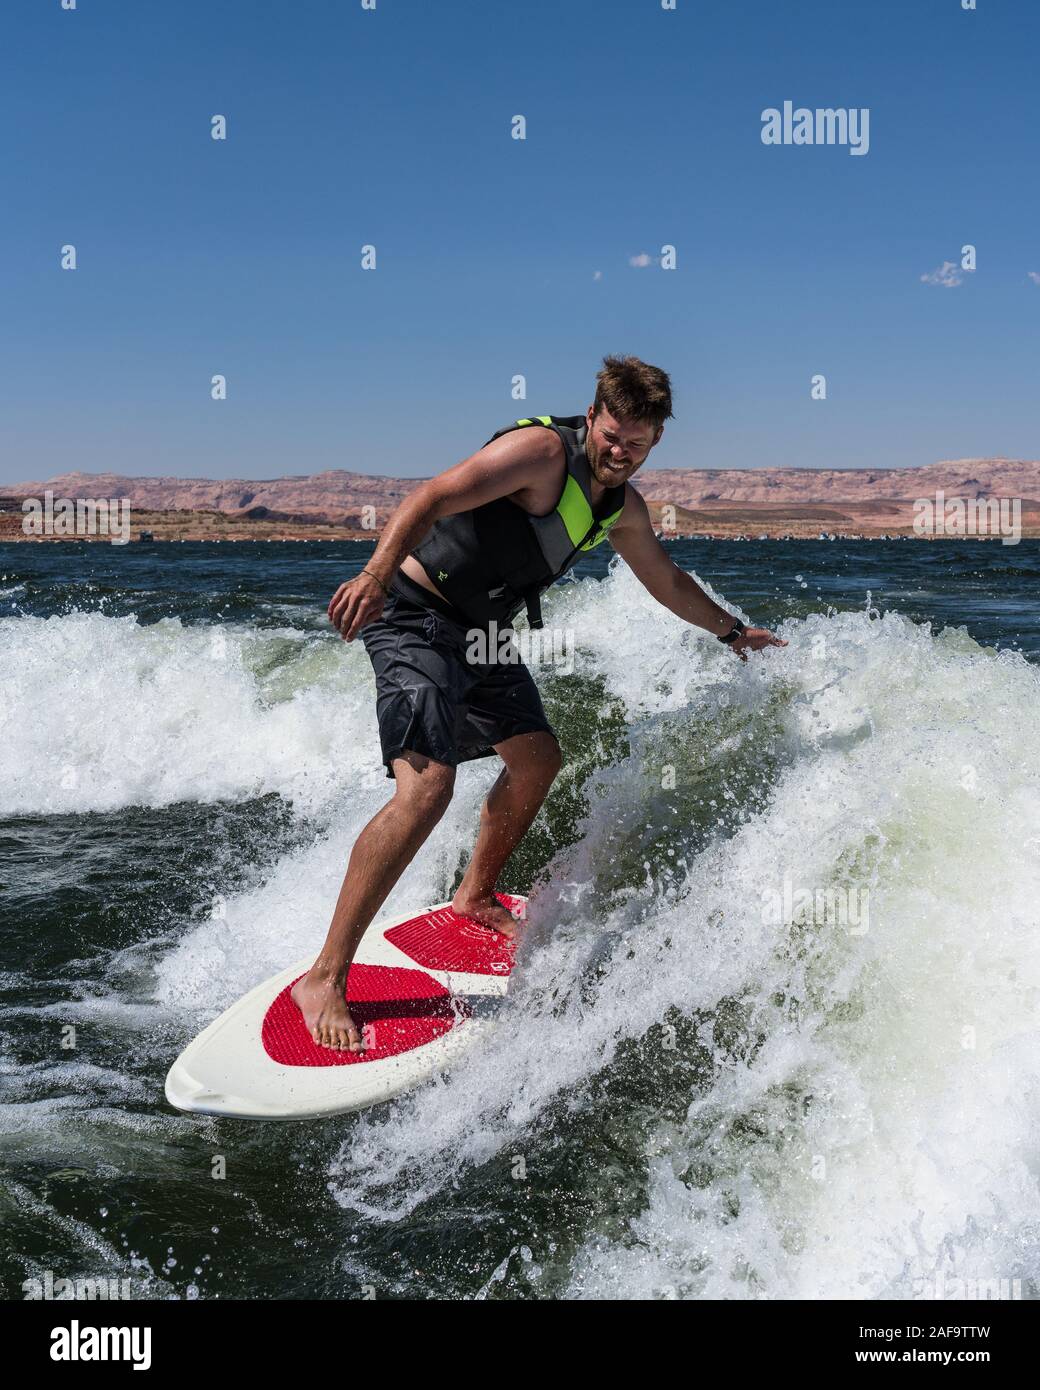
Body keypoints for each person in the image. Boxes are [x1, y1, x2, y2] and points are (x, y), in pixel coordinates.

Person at [292, 355, 786, 1049]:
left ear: (656, 444)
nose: (620, 452)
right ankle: (325, 975)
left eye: (636, 444)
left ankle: (475, 895)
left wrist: (732, 631)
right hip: (413, 615)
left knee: (537, 759)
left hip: (481, 633)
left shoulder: (623, 508)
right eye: (612, 435)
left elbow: (666, 581)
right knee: (428, 787)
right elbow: (433, 496)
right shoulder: (540, 453)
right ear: (592, 418)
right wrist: (374, 573)